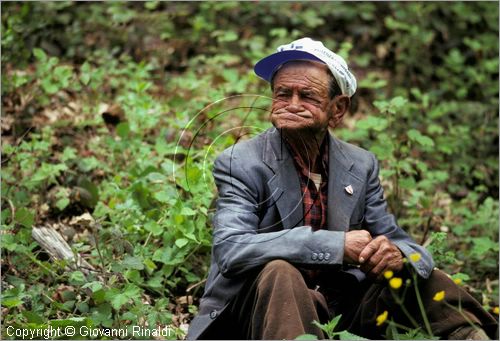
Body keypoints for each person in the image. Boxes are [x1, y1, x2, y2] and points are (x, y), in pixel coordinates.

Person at [186, 38, 497, 340]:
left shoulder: (360, 165)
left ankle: (472, 335)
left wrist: (396, 255)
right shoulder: (240, 161)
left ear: (338, 109)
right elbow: (232, 250)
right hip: (256, 316)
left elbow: (403, 242)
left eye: (307, 96)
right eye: (283, 94)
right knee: (281, 272)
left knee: (421, 277)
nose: (292, 105)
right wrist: (336, 246)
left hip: (339, 313)